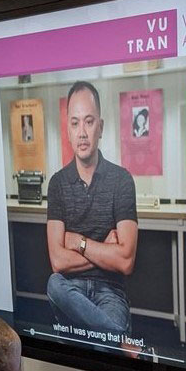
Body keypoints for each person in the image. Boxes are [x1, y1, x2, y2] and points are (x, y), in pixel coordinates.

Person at [46, 80, 139, 349]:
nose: (82, 132)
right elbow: (57, 261)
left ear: (101, 126)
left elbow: (125, 261)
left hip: (110, 292)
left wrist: (79, 243)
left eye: (89, 121)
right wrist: (104, 251)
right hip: (69, 290)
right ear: (68, 130)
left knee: (101, 348)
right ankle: (118, 337)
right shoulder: (58, 183)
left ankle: (110, 336)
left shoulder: (121, 180)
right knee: (54, 283)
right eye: (75, 123)